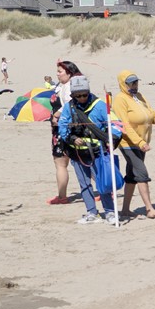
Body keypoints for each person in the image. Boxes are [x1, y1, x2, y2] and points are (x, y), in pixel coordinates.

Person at [56, 76, 115, 223]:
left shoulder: (99, 105)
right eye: (78, 95)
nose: (82, 98)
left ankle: (109, 211)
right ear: (73, 95)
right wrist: (72, 138)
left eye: (84, 94)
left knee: (102, 182)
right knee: (84, 184)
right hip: (77, 153)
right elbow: (62, 127)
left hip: (98, 152)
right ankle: (91, 212)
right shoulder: (69, 108)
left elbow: (115, 124)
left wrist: (113, 137)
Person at [111, 71, 155, 219]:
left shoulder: (139, 97)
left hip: (142, 142)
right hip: (129, 143)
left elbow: (151, 118)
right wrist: (139, 142)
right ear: (124, 84)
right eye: (131, 83)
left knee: (131, 175)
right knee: (141, 173)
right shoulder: (120, 99)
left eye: (136, 82)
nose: (135, 85)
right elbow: (124, 125)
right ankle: (149, 209)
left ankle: (125, 210)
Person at [47, 59, 84, 203]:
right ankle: (103, 188)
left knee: (62, 162)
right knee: (77, 160)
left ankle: (62, 196)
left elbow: (71, 104)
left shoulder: (69, 87)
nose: (57, 74)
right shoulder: (62, 86)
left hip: (64, 128)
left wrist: (57, 114)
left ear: (69, 73)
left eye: (60, 72)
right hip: (60, 128)